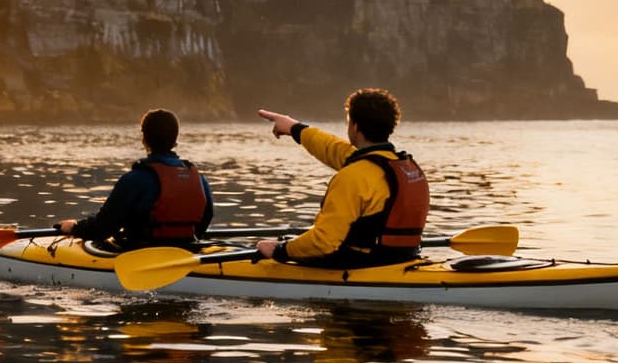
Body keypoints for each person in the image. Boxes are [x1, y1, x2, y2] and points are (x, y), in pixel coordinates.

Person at [253, 88, 429, 268]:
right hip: (403, 258)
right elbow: (335, 149)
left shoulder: (353, 176)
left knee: (284, 245)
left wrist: (279, 250)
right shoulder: (403, 166)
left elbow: (323, 242)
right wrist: (294, 127)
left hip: (361, 265)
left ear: (354, 126)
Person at [55, 109, 214, 251]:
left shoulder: (135, 179)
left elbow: (102, 227)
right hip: (187, 250)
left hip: (143, 251)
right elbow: (205, 220)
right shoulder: (199, 179)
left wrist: (75, 227)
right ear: (175, 140)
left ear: (144, 139)